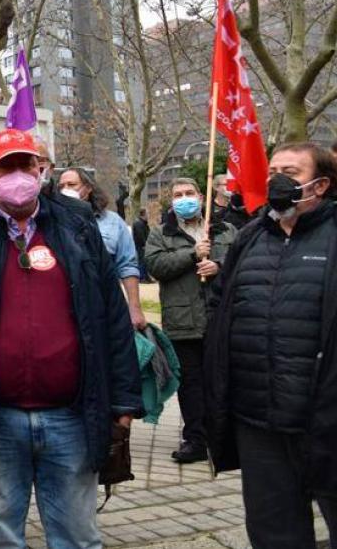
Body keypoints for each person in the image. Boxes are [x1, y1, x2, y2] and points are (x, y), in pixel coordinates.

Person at [0, 129, 142, 549]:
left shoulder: (79, 229)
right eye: (5, 166)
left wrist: (125, 398)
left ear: (42, 170)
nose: (17, 174)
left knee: (77, 536)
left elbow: (113, 317)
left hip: (71, 416)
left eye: (25, 165)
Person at [204, 142, 336, 548]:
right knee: (274, 533)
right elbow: (222, 307)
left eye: (292, 173)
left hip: (326, 422)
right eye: (273, 170)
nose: (278, 179)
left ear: (322, 184)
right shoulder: (250, 237)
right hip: (259, 422)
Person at [144, 178, 234, 465]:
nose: (184, 198)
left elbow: (241, 263)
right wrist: (192, 254)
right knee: (191, 384)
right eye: (178, 194)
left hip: (219, 320)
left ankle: (221, 436)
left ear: (201, 197)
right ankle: (195, 438)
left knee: (219, 381)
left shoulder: (225, 230)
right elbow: (156, 266)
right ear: (171, 201)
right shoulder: (161, 234)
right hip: (183, 321)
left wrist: (218, 265)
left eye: (189, 193)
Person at [58, 167, 147, 331]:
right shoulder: (52, 222)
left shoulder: (113, 222)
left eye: (72, 184)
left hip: (105, 306)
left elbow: (127, 266)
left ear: (88, 188)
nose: (66, 190)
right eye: (61, 186)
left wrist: (135, 309)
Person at [132, 209, 152, 283]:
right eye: (147, 214)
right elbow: (140, 235)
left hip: (144, 245)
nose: (148, 215)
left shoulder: (143, 223)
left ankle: (146, 277)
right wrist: (144, 244)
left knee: (145, 262)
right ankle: (142, 277)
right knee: (142, 262)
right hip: (141, 246)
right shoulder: (138, 223)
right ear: (143, 214)